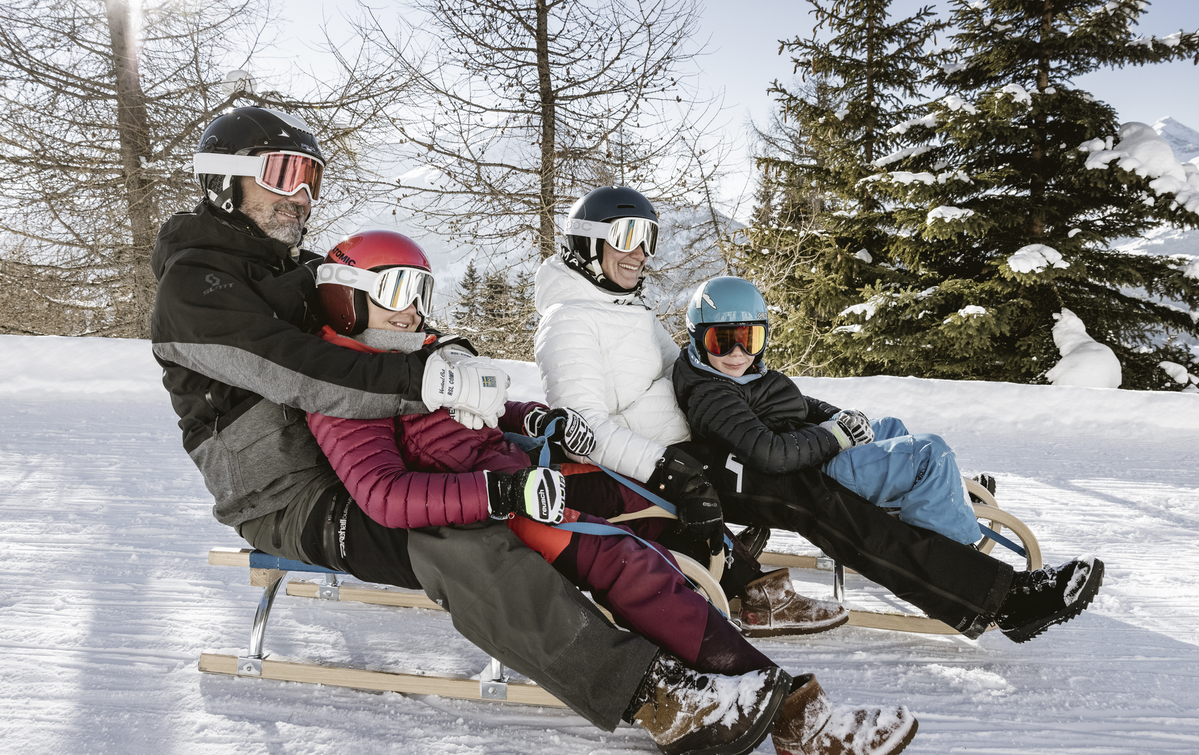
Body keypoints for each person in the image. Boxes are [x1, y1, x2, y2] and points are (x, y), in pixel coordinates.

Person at [148, 107, 880, 755]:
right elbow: (300, 369)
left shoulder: (293, 269)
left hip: (362, 455)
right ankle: (651, 694)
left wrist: (470, 378)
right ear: (224, 178)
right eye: (283, 173)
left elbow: (380, 326)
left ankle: (732, 620)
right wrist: (432, 386)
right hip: (289, 494)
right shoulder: (194, 288)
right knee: (462, 540)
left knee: (580, 498)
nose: (301, 194)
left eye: (311, 176)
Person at [308, 228, 917, 755]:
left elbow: (485, 410)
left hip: (528, 472)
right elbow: (383, 494)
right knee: (631, 563)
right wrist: (505, 494)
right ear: (346, 296)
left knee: (654, 504)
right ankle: (798, 718)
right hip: (500, 502)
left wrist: (537, 417)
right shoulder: (342, 386)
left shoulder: (417, 354)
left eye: (419, 291)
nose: (410, 310)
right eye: (393, 291)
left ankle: (742, 601)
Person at [533, 185, 1105, 653]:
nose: (640, 252)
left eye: (648, 238)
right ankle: (1001, 600)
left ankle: (939, 528)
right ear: (587, 243)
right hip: (666, 467)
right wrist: (671, 472)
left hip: (701, 447)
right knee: (815, 500)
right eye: (626, 237)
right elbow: (584, 428)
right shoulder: (570, 323)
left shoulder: (623, 309)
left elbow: (690, 375)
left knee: (821, 484)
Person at [675, 276, 981, 546]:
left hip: (809, 455)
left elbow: (797, 402)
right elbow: (768, 452)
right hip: (809, 478)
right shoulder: (712, 394)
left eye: (749, 339)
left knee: (890, 426)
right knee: (929, 451)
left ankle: (933, 500)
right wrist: (835, 436)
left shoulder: (735, 376)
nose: (738, 353)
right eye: (722, 341)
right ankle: (954, 550)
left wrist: (838, 417)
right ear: (698, 338)